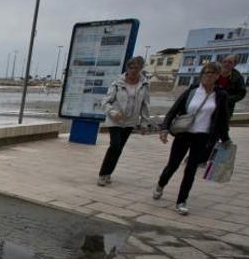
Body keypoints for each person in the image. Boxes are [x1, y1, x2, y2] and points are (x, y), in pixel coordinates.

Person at [153, 61, 231, 215]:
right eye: (207, 73)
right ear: (202, 75)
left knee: (191, 169)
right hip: (184, 134)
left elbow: (222, 119)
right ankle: (161, 185)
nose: (209, 76)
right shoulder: (193, 91)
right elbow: (173, 110)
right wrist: (164, 129)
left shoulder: (221, 95)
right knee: (173, 165)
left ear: (218, 76)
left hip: (203, 137)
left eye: (213, 73)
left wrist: (226, 139)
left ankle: (181, 201)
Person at [97, 56, 151, 186]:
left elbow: (145, 105)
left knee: (119, 148)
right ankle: (103, 174)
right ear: (127, 68)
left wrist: (144, 123)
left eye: (136, 68)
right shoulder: (117, 83)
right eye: (130, 67)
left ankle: (109, 173)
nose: (133, 70)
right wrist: (112, 112)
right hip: (115, 120)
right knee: (115, 145)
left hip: (130, 122)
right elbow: (105, 101)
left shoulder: (144, 85)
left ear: (141, 69)